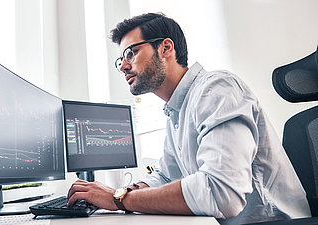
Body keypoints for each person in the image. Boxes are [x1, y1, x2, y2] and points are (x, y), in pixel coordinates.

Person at [67, 12, 311, 224]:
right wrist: (125, 191)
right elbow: (165, 175)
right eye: (121, 59)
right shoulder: (176, 111)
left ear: (165, 48)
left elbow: (221, 193)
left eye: (131, 53)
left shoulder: (218, 89)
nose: (123, 66)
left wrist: (119, 199)